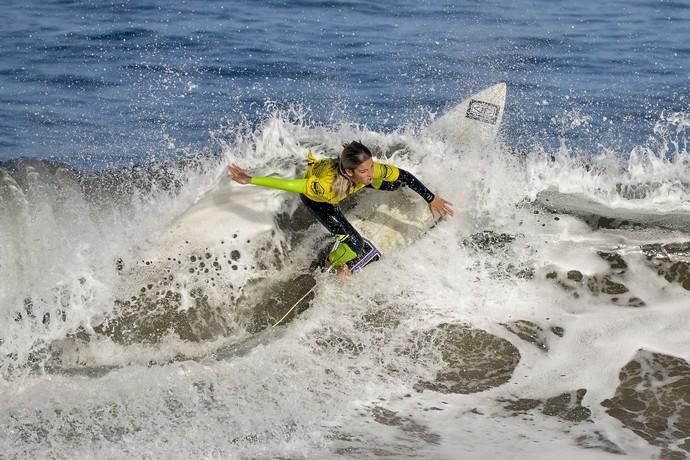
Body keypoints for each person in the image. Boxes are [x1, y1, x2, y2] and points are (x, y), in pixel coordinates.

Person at [228, 141, 454, 276]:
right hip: (318, 201)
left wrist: (430, 198)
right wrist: (249, 179)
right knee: (355, 245)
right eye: (364, 171)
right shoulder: (322, 187)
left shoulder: (371, 172)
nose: (371, 172)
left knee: (397, 181)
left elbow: (405, 175)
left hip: (343, 183)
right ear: (348, 172)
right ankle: (333, 262)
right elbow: (289, 184)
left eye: (371, 167)